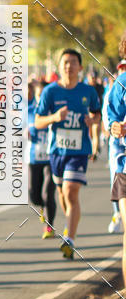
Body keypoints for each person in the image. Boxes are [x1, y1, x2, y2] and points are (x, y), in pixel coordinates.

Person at [34, 48, 101, 260]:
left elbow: (97, 113)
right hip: (57, 152)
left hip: (79, 151)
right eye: (65, 62)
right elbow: (37, 121)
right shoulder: (50, 92)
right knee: (62, 194)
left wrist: (93, 120)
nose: (68, 66)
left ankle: (69, 240)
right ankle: (68, 226)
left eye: (73, 62)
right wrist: (53, 117)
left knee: (71, 191)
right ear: (59, 66)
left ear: (80, 67)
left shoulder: (87, 91)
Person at [27, 79, 56, 239]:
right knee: (34, 196)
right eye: (39, 95)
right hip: (33, 158)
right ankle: (42, 208)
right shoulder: (29, 111)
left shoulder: (55, 112)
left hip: (51, 158)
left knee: (47, 194)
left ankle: (49, 227)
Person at [104, 61, 126, 235]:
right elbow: (112, 120)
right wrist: (115, 126)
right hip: (119, 150)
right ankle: (116, 213)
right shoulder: (120, 85)